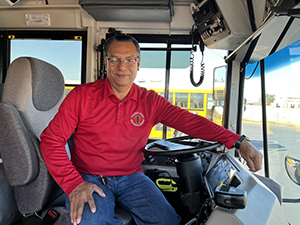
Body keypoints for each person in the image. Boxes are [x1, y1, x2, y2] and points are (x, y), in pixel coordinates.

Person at [40, 34, 263, 225]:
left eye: (129, 60)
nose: (122, 66)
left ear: (138, 63)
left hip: (132, 177)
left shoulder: (149, 101)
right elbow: (51, 141)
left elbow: (191, 122)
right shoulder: (82, 96)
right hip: (89, 177)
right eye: (115, 59)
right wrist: (74, 184)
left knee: (168, 220)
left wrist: (238, 141)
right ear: (106, 62)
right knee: (92, 221)